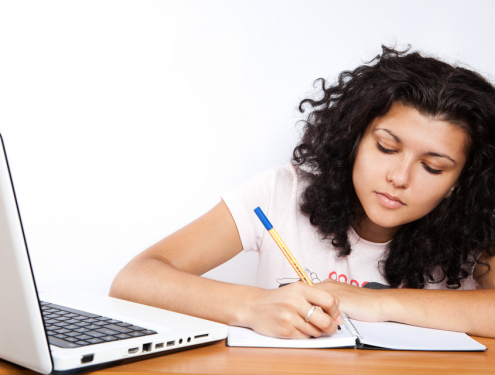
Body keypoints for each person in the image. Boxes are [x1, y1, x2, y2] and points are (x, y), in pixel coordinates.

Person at [110, 46, 495, 339]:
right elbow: (135, 279)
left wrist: (377, 302)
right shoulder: (281, 192)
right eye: (386, 148)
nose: (399, 176)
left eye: (433, 167)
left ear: (461, 181)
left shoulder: (476, 225)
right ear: (355, 139)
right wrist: (254, 305)